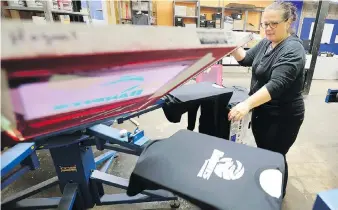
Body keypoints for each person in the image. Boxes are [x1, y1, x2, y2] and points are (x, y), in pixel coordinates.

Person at [228, 2, 306, 197]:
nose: (268, 28)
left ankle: (276, 196)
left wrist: (246, 104)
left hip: (283, 116)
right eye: (265, 24)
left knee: (276, 157)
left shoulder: (293, 50)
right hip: (263, 110)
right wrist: (232, 47)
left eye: (274, 23)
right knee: (264, 151)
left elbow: (277, 84)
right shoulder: (266, 42)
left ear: (288, 22)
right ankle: (264, 190)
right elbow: (246, 59)